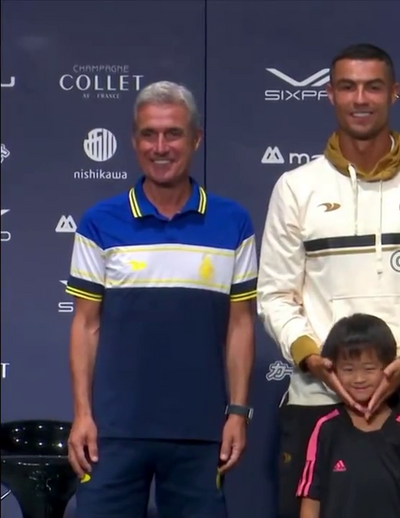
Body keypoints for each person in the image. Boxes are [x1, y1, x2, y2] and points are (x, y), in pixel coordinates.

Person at [257, 43, 400, 518]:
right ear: (330, 94)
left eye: (373, 86)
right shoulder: (296, 187)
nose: (361, 98)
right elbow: (275, 295)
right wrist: (315, 359)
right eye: (348, 86)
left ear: (394, 93)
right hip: (319, 393)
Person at [65, 81, 257, 518]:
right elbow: (85, 325)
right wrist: (82, 415)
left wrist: (238, 413)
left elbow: (241, 325)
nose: (161, 146)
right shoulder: (100, 222)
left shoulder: (233, 222)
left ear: (196, 139)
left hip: (200, 431)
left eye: (172, 133)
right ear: (134, 141)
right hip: (112, 432)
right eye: (149, 134)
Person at [296, 313, 400, 518]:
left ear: (388, 368)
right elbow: (311, 497)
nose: (359, 379)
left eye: (369, 369)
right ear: (333, 370)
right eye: (348, 369)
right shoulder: (326, 428)